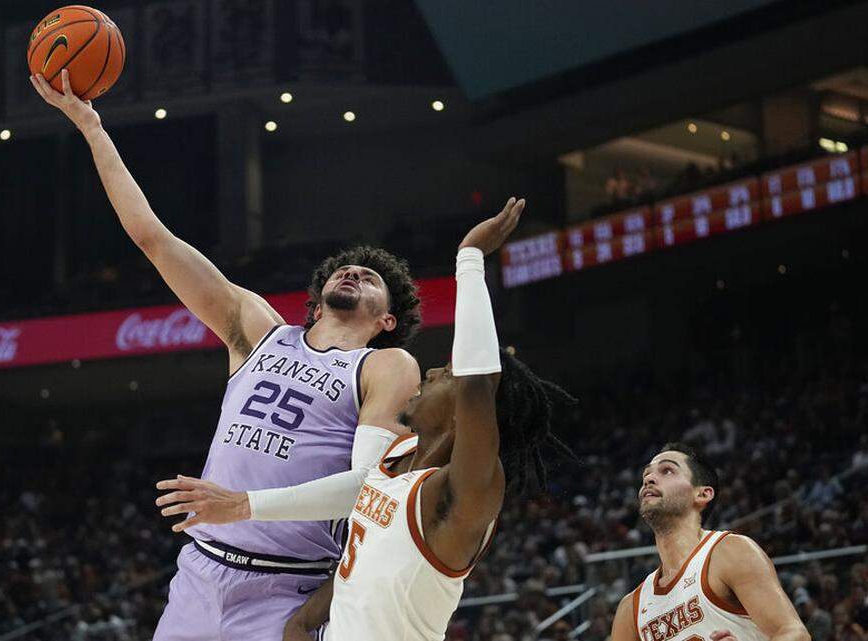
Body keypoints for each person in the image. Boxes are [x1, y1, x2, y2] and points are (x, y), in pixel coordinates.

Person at [31, 69, 422, 641]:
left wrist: (243, 505)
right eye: (348, 267)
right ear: (314, 302)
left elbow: (367, 487)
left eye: (374, 279)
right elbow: (153, 238)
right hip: (199, 575)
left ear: (386, 321)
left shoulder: (385, 365)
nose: (357, 270)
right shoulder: (257, 330)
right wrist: (92, 127)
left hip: (287, 590)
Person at [159, 198, 576, 640]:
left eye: (445, 374)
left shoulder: (464, 489)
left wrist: (470, 260)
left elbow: (477, 382)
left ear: (468, 411)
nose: (430, 373)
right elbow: (350, 564)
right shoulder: (387, 469)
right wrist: (300, 625)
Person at [610, 443, 811, 641]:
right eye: (646, 474)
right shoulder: (631, 609)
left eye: (667, 471)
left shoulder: (731, 552)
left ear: (702, 494)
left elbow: (795, 634)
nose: (649, 479)